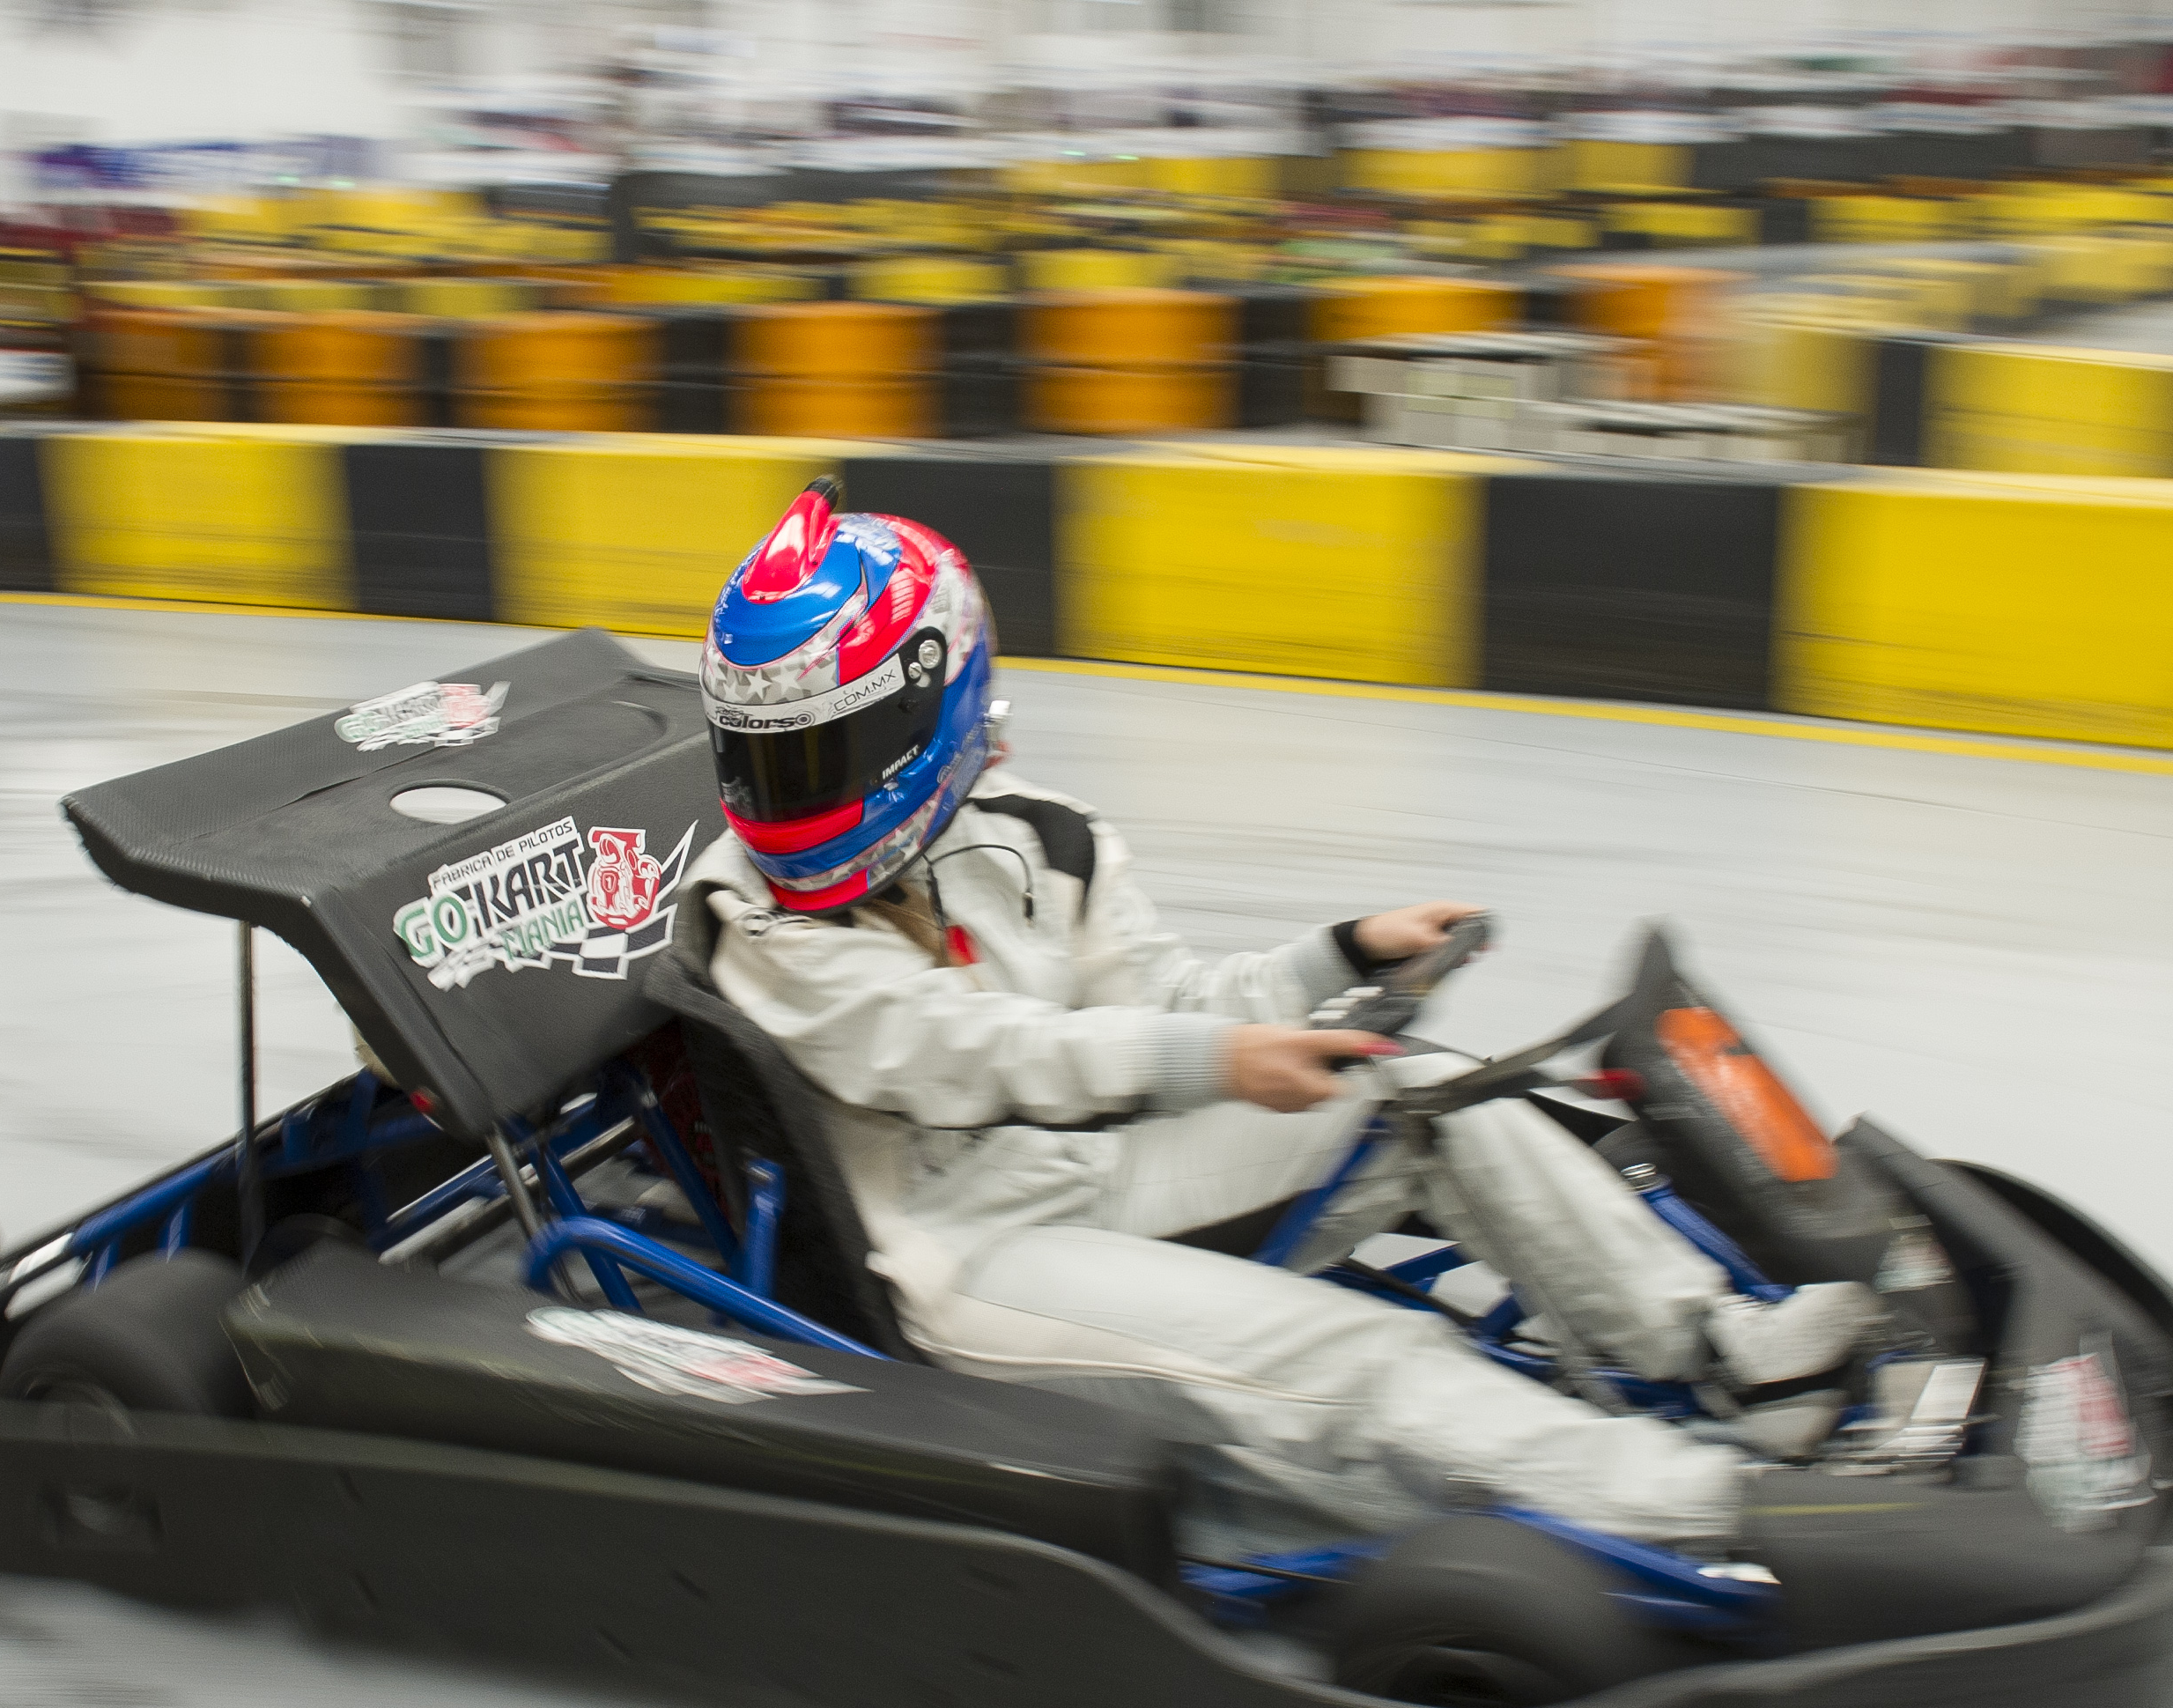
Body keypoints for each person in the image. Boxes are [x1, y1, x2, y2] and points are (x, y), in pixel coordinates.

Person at [691, 482, 1877, 1552]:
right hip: (965, 1261)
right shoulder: (760, 922)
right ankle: (1718, 1517)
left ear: (930, 713)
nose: (783, 799)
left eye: (820, 758)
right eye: (763, 762)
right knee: (1362, 1361)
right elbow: (982, 1053)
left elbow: (1168, 1003)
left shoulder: (1038, 835)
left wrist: (1338, 959)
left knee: (1415, 1085)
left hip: (1096, 1170)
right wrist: (1218, 1061)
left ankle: (1726, 1355)